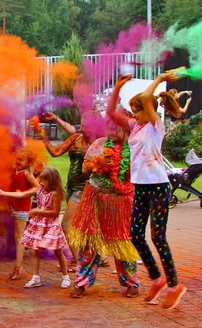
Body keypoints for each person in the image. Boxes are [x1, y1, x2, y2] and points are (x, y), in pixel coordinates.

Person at [107, 73, 186, 310]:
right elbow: (111, 113)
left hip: (159, 187)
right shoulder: (135, 127)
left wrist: (160, 77)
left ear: (148, 110)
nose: (133, 114)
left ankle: (174, 286)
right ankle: (157, 279)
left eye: (137, 110)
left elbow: (148, 97)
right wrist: (117, 88)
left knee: (158, 237)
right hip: (140, 187)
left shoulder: (154, 126)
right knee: (135, 235)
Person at [68, 112, 140, 299]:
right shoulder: (99, 144)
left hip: (121, 201)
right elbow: (84, 169)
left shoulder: (134, 147)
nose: (111, 132)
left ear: (125, 128)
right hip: (96, 199)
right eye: (108, 128)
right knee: (88, 243)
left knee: (123, 243)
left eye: (115, 129)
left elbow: (139, 174)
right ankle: (81, 283)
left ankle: (131, 283)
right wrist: (98, 164)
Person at [35, 112, 102, 271]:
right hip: (71, 187)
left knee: (66, 224)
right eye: (81, 124)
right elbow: (56, 152)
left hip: (85, 188)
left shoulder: (99, 144)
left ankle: (80, 263)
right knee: (83, 224)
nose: (82, 127)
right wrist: (44, 138)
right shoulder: (76, 138)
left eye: (85, 125)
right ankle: (92, 256)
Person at [0, 167, 70, 289]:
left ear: (52, 181)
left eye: (43, 181)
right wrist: (2, 192)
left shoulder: (55, 194)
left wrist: (38, 211)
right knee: (33, 249)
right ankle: (35, 277)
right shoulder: (39, 190)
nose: (41, 183)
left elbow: (55, 212)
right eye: (40, 180)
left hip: (50, 225)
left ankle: (65, 277)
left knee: (57, 250)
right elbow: (22, 194)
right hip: (37, 224)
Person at [0, 149, 39, 280]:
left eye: (21, 160)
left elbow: (37, 187)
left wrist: (26, 193)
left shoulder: (27, 174)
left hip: (22, 209)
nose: (17, 161)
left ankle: (18, 267)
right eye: (17, 158)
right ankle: (1, 229)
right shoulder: (14, 170)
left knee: (19, 237)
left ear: (28, 162)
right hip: (10, 205)